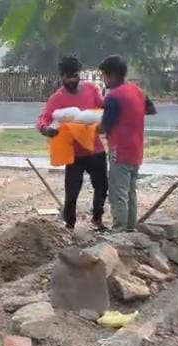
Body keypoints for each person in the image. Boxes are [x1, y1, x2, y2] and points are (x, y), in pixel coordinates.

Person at [37, 56, 108, 231]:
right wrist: (46, 129)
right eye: (67, 77)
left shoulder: (91, 89)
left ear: (79, 74)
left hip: (95, 148)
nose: (71, 80)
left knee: (102, 186)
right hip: (74, 153)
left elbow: (104, 106)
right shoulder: (57, 99)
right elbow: (43, 119)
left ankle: (97, 219)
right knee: (72, 190)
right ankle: (69, 225)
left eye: (74, 75)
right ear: (62, 76)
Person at [98, 55, 157, 232]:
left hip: (120, 150)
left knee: (118, 192)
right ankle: (130, 228)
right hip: (136, 150)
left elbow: (104, 127)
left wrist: (87, 125)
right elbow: (150, 109)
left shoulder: (114, 97)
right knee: (130, 191)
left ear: (112, 75)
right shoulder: (138, 91)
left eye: (103, 75)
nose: (103, 79)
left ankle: (119, 229)